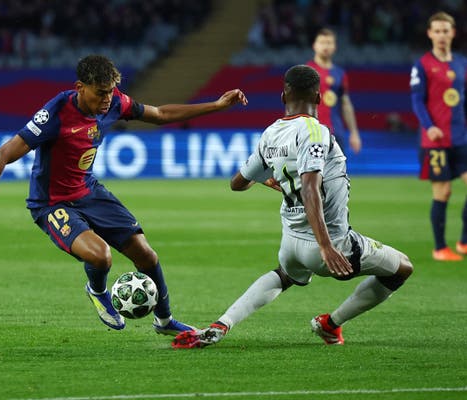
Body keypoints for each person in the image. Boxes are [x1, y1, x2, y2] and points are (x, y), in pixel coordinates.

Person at [0, 54, 248, 335]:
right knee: (101, 256)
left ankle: (164, 320)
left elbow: (160, 114)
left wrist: (217, 105)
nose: (107, 99)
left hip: (89, 191)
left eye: (111, 91)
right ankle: (96, 290)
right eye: (101, 92)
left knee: (146, 255)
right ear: (80, 87)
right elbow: (2, 155)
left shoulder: (115, 101)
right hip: (52, 203)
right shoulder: (56, 113)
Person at [172, 65, 413, 348]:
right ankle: (331, 324)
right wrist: (326, 246)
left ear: (283, 96)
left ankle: (222, 324)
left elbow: (238, 183)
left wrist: (267, 179)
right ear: (319, 98)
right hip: (328, 242)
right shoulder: (315, 131)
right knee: (402, 268)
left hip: (291, 242)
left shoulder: (271, 133)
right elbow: (310, 188)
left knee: (283, 276)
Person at [410, 11, 467, 262]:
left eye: (446, 31)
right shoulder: (422, 65)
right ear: (430, 34)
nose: (442, 35)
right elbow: (417, 100)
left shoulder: (462, 63)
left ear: (452, 33)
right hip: (435, 141)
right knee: (443, 192)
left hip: (461, 138)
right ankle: (440, 248)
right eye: (437, 31)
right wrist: (429, 126)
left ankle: (464, 242)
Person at [307, 28, 362, 154]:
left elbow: (346, 104)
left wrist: (354, 133)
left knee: (338, 167)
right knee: (314, 166)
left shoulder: (339, 74)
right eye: (322, 42)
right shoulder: (306, 71)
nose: (325, 46)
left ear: (334, 47)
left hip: (336, 133)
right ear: (314, 45)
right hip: (312, 134)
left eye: (329, 43)